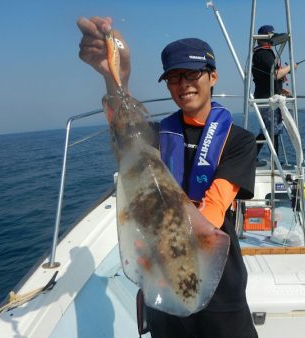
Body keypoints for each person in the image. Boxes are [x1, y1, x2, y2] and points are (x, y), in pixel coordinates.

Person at [77, 16, 258, 338]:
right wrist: (114, 76)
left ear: (213, 77)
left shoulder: (239, 140)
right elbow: (127, 136)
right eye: (174, 77)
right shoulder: (156, 135)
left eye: (192, 74)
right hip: (158, 272)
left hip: (218, 279)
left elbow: (213, 211)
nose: (183, 83)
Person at [252, 24, 296, 154]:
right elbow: (275, 74)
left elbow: (266, 78)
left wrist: (281, 90)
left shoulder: (262, 53)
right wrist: (291, 67)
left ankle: (253, 158)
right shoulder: (264, 54)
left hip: (268, 95)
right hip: (267, 99)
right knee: (272, 131)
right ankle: (274, 163)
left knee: (268, 130)